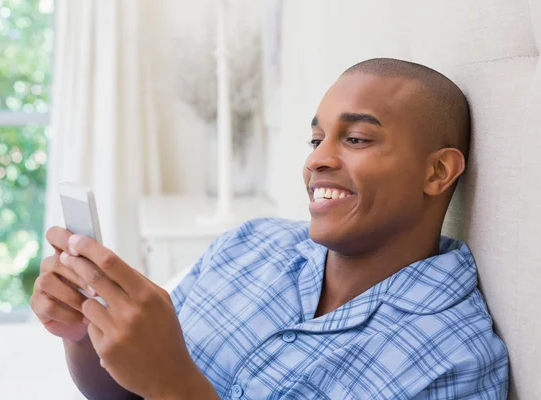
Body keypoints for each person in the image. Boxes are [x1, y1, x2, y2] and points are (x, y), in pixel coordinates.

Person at [31, 58, 509, 399]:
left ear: (437, 173)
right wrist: (83, 334)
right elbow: (123, 392)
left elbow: (159, 385)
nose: (317, 159)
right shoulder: (249, 244)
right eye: (316, 138)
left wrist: (175, 386)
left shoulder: (457, 364)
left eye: (357, 138)